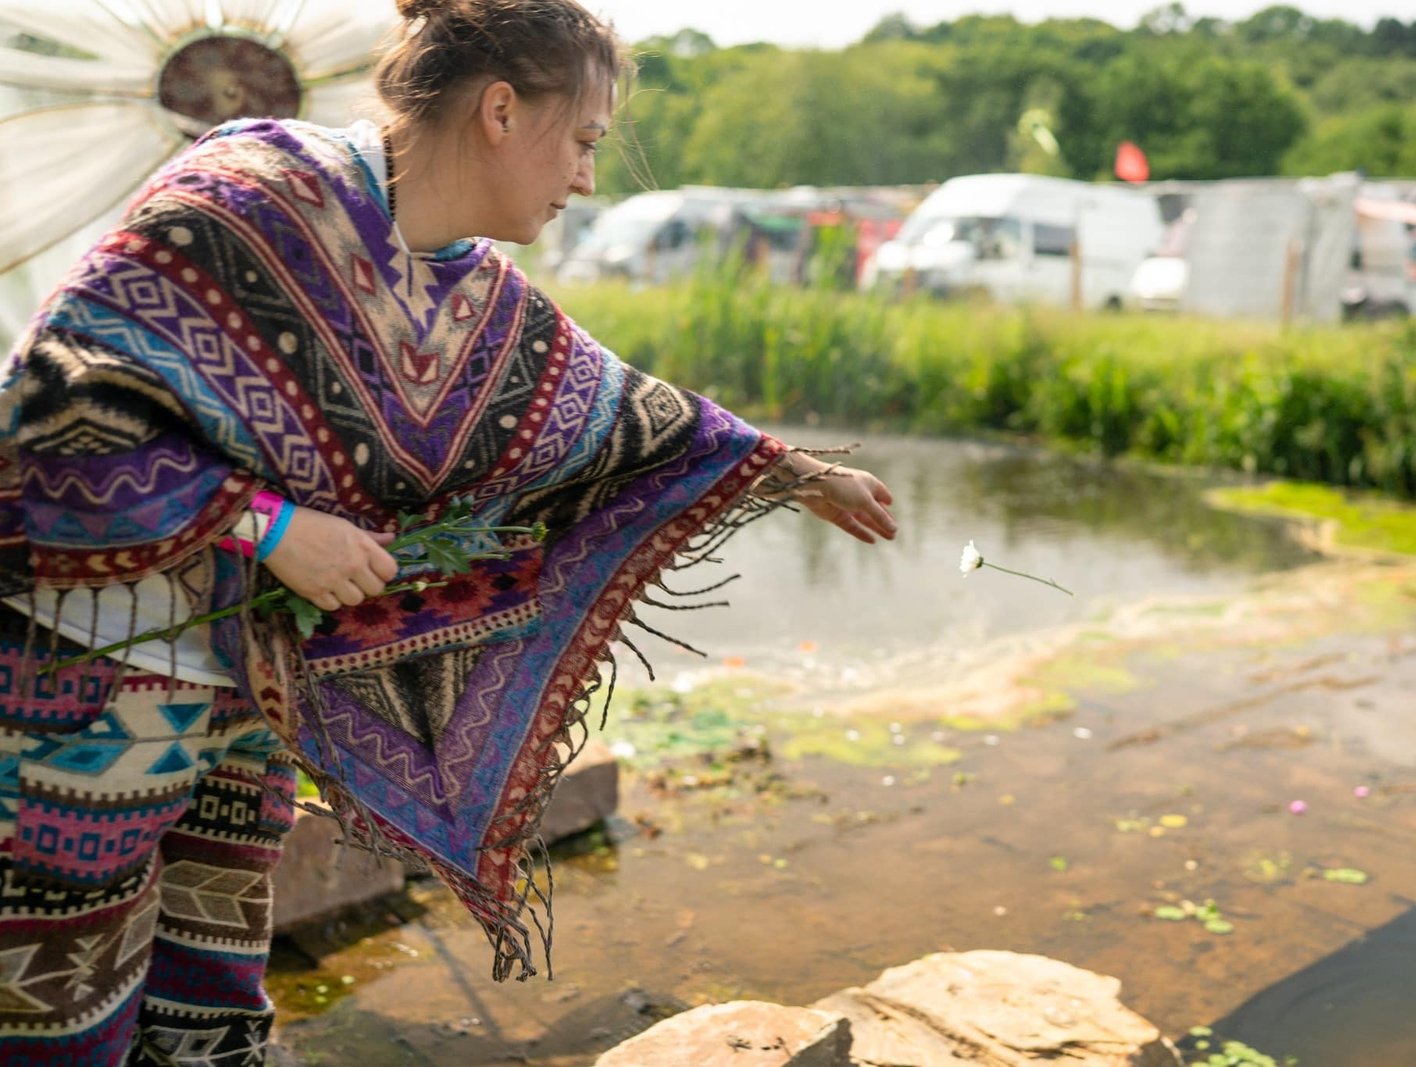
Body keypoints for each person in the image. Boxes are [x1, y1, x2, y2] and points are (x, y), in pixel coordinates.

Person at [0, 0, 897, 1062]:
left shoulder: (477, 299)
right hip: (87, 676)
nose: (586, 179)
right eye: (585, 140)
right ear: (502, 111)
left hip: (247, 684)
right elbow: (48, 409)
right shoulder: (248, 195)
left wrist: (792, 471)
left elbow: (623, 417)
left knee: (210, 1001)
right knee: (56, 999)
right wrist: (268, 525)